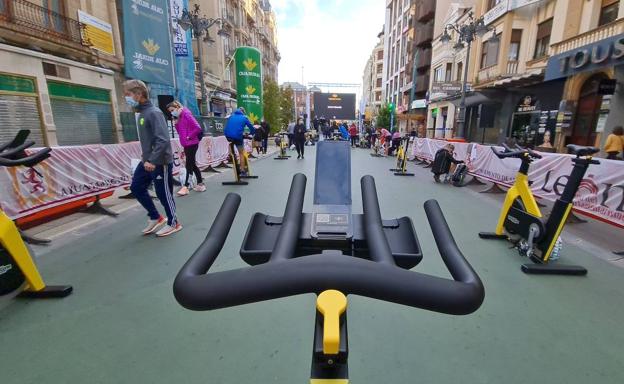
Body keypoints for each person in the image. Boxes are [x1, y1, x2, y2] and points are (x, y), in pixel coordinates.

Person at [124, 79, 182, 237]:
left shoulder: (154, 113)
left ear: (138, 94)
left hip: (159, 162)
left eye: (127, 94)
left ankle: (173, 222)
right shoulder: (142, 113)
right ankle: (155, 217)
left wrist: (152, 160)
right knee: (136, 187)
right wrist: (146, 160)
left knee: (163, 193)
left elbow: (163, 139)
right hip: (147, 161)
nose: (126, 98)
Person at [167, 101, 206, 196]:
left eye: (172, 110)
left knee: (189, 164)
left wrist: (189, 137)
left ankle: (186, 186)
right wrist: (176, 123)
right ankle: (200, 184)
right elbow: (180, 132)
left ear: (176, 107)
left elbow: (198, 128)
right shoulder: (179, 117)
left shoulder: (186, 114)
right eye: (170, 111)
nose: (172, 112)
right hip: (186, 144)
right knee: (192, 164)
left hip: (192, 143)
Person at [224, 107, 255, 176]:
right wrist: (251, 134)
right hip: (238, 136)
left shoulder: (231, 116)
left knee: (230, 142)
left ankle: (230, 155)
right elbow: (251, 128)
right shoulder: (244, 117)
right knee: (241, 153)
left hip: (228, 135)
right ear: (243, 112)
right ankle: (243, 171)